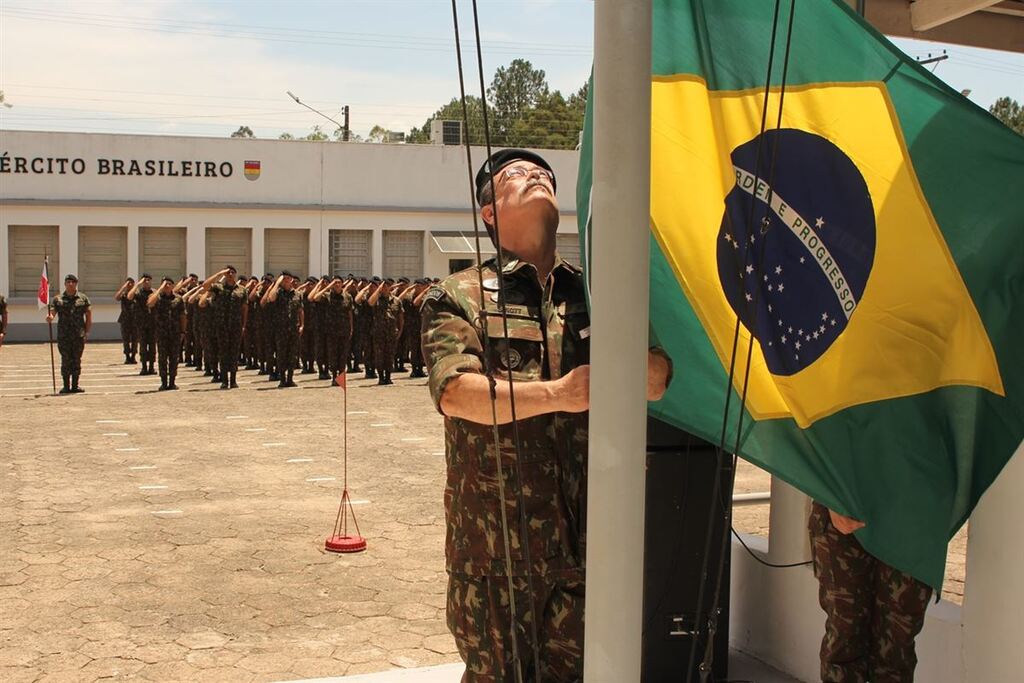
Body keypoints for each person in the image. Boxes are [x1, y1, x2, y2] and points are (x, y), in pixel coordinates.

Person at [421, 149, 672, 681]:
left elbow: (656, 379)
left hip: (586, 545)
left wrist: (624, 367)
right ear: (488, 213)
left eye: (545, 175)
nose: (535, 176)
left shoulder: (597, 293)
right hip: (496, 552)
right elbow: (457, 393)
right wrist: (560, 393)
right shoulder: (460, 295)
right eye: (516, 175)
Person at [809, 502, 933, 683]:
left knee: (896, 641)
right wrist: (830, 498)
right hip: (844, 508)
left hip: (912, 517)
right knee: (845, 633)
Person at [202, 266, 248, 389]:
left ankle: (233, 380)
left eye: (232, 272)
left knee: (234, 352)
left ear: (236, 274)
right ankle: (224, 380)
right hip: (221, 325)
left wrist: (244, 325)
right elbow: (205, 286)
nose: (230, 274)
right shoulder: (219, 287)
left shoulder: (242, 290)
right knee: (223, 353)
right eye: (228, 272)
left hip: (236, 326)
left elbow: (244, 308)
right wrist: (219, 273)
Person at [46, 274, 92, 394]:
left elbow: (88, 316)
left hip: (78, 335)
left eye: (73, 282)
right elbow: (53, 312)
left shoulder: (83, 298)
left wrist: (87, 332)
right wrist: (50, 317)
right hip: (64, 335)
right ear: (65, 284)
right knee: (65, 360)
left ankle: (75, 385)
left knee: (76, 359)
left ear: (76, 283)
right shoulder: (58, 299)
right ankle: (66, 386)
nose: (70, 284)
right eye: (68, 282)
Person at [262, 271, 304, 388]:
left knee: (292, 354)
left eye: (287, 279)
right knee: (281, 354)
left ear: (291, 280)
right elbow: (271, 298)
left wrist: (302, 325)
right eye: (283, 279)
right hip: (280, 329)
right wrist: (277, 283)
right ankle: (282, 379)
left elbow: (300, 310)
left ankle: (290, 378)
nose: (286, 281)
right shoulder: (278, 293)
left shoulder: (297, 294)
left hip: (293, 328)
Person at [148, 277, 186, 391]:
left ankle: (172, 382)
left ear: (173, 286)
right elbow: (149, 304)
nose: (167, 286)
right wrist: (160, 289)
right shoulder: (157, 297)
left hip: (175, 333)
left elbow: (183, 316)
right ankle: (164, 382)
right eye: (165, 284)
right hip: (162, 333)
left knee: (174, 358)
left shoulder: (178, 299)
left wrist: (183, 331)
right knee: (162, 358)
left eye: (169, 284)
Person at [314, 275, 354, 381]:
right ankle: (334, 377)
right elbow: (315, 298)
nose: (337, 285)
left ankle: (341, 377)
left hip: (344, 330)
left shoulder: (347, 296)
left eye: (339, 282)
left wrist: (351, 328)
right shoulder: (327, 296)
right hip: (331, 331)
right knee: (333, 355)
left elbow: (350, 313)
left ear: (342, 284)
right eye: (335, 283)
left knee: (343, 355)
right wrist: (327, 287)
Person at [369, 278, 404, 386]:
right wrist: (378, 289)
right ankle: (381, 377)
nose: (384, 288)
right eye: (383, 286)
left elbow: (400, 317)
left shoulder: (396, 300)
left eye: (386, 286)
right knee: (379, 356)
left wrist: (400, 330)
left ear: (390, 287)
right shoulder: (376, 299)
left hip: (391, 333)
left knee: (390, 355)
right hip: (378, 333)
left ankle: (388, 377)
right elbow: (370, 302)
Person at [127, 274, 157, 376]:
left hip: (153, 323)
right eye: (145, 280)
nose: (147, 282)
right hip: (141, 324)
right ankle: (144, 367)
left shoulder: (154, 292)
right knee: (143, 346)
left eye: (148, 280)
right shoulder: (138, 292)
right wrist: (137, 285)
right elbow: (129, 296)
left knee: (152, 346)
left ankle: (151, 367)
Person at [114, 277, 138, 364]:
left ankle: (133, 356)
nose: (130, 285)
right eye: (128, 283)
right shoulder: (123, 294)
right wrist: (123, 287)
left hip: (135, 319)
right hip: (125, 319)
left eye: (131, 283)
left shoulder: (136, 294)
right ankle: (127, 356)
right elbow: (116, 298)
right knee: (126, 339)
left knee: (135, 339)